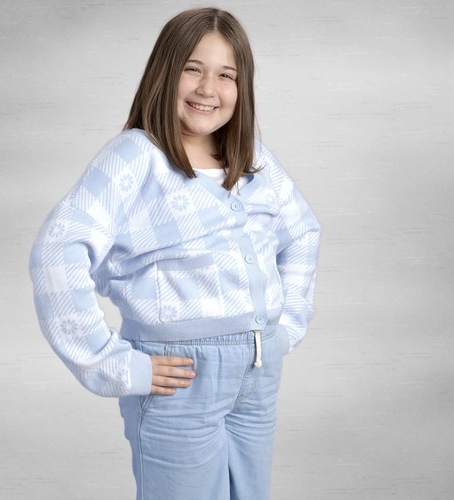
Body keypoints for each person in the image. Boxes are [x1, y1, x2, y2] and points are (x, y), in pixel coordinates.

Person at [29, 7, 320, 500]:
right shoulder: (135, 157)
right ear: (165, 73)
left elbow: (302, 233)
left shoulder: (253, 159)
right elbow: (57, 251)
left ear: (242, 87)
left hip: (257, 373)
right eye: (193, 68)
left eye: (226, 75)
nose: (208, 88)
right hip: (181, 377)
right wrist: (109, 362)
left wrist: (286, 325)